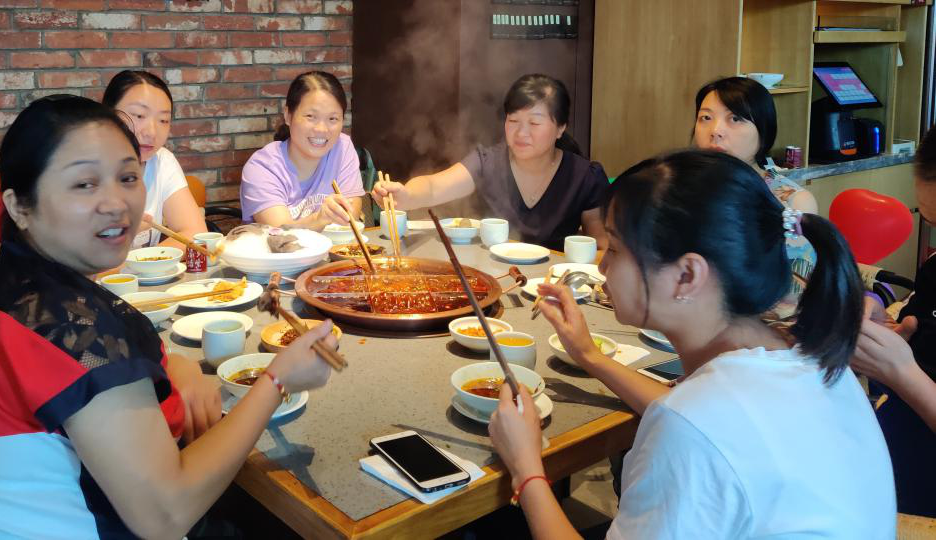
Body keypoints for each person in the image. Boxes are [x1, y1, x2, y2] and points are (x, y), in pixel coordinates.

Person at [0, 96, 339, 538]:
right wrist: (278, 380)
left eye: (128, 177)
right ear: (18, 206)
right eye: (84, 184)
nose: (116, 203)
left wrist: (177, 366)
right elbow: (165, 514)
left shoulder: (11, 288)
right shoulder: (67, 324)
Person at [489, 149, 895, 539]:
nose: (603, 266)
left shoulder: (691, 427)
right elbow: (701, 421)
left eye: (614, 248)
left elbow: (695, 426)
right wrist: (588, 355)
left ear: (687, 275)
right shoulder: (810, 358)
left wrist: (527, 469)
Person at [373, 75, 607, 252]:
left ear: (561, 128)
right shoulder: (488, 162)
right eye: (513, 120)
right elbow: (434, 186)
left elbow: (600, 246)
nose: (521, 132)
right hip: (494, 276)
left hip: (552, 286)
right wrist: (405, 196)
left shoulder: (585, 177)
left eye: (534, 123)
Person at [853, 124, 936, 516]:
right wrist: (882, 319)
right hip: (893, 482)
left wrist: (901, 372)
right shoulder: (934, 270)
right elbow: (912, 323)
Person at [693, 76, 817, 306]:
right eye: (706, 118)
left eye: (735, 119)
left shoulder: (792, 202)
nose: (716, 131)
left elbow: (793, 293)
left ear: (764, 131)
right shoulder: (683, 186)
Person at [240, 71, 364, 230]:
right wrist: (319, 219)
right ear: (288, 115)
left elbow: (351, 215)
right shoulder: (262, 167)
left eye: (332, 119)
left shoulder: (342, 147)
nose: (322, 129)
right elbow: (280, 233)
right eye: (310, 116)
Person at [103, 70, 206, 250]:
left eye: (163, 120)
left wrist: (146, 262)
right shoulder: (82, 168)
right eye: (139, 115)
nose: (151, 132)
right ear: (107, 115)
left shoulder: (161, 161)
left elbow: (195, 233)